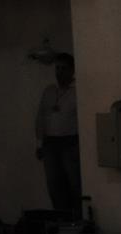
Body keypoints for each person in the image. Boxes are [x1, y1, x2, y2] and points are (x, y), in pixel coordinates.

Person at [35, 54, 81, 216]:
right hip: (50, 144)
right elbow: (40, 117)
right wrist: (39, 143)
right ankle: (61, 217)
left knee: (74, 184)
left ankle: (77, 217)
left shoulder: (76, 92)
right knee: (54, 185)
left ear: (72, 70)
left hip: (69, 143)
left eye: (63, 68)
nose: (59, 72)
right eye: (57, 68)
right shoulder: (49, 91)